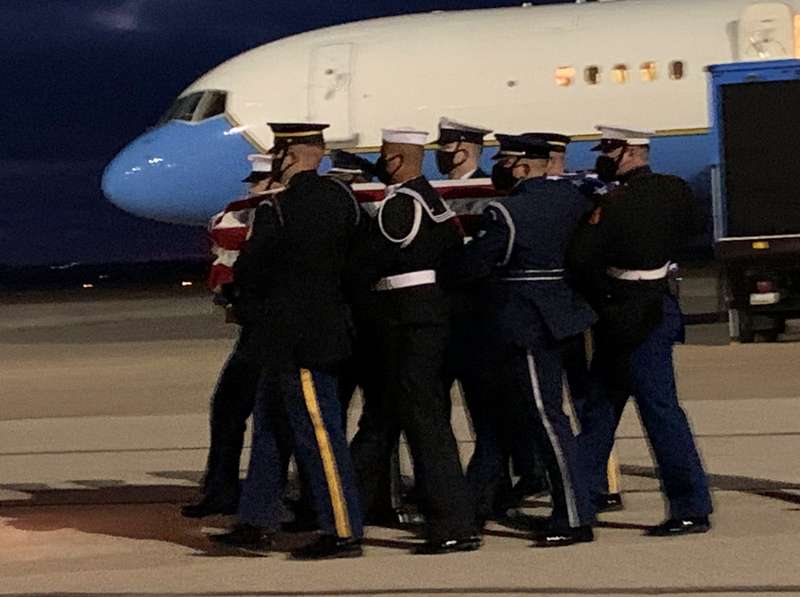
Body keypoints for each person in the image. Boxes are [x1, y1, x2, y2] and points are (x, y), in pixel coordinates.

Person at [211, 122, 364, 560]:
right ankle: (257, 518)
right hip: (324, 329)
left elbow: (252, 271)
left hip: (293, 339)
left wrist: (239, 297)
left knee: (318, 432)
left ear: (289, 156)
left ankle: (342, 529)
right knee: (272, 428)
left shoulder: (275, 209)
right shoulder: (344, 199)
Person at [445, 132, 596, 547]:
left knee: (546, 418)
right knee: (512, 417)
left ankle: (574, 515)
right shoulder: (573, 199)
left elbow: (475, 265)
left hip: (525, 321)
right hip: (564, 314)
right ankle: (481, 500)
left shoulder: (507, 212)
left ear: (523, 167)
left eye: (506, 162)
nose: (501, 169)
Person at [571, 125, 713, 537]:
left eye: (609, 152)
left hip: (623, 311)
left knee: (643, 410)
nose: (604, 159)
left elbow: (582, 256)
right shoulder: (675, 190)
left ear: (629, 152)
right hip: (657, 304)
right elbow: (692, 231)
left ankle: (687, 505)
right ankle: (582, 498)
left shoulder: (615, 200)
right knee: (608, 408)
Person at [349, 127, 480, 555]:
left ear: (394, 160)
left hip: (405, 322)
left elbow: (369, 262)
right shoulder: (434, 203)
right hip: (430, 318)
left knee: (425, 425)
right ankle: (350, 507)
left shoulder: (400, 205)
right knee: (390, 420)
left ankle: (452, 523)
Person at [181, 154, 280, 519]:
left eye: (259, 182)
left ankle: (245, 497)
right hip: (255, 331)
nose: (252, 189)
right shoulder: (254, 217)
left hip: (270, 332)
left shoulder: (275, 221)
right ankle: (223, 490)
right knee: (229, 408)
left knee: (250, 413)